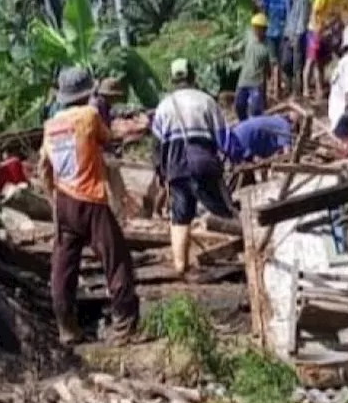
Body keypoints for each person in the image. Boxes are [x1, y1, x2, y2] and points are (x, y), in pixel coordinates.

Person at [39, 67, 139, 346]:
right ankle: (124, 326)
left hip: (64, 203)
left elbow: (43, 167)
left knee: (63, 266)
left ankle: (67, 328)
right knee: (116, 259)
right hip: (91, 199)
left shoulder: (51, 125)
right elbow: (108, 139)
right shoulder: (89, 116)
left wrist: (52, 199)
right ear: (86, 93)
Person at [151, 59, 235, 278]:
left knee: (180, 217)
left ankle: (181, 265)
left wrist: (161, 173)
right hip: (204, 164)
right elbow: (223, 138)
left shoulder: (163, 107)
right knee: (222, 211)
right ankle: (237, 256)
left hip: (176, 168)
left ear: (173, 79)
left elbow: (157, 146)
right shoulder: (206, 101)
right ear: (193, 77)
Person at [306, 0, 348, 100]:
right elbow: (314, 13)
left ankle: (320, 89)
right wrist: (318, 30)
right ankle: (307, 88)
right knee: (312, 61)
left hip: (329, 32)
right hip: (316, 31)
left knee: (322, 62)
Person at [256, 0, 292, 96]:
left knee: (280, 62)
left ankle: (277, 90)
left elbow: (289, 13)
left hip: (283, 33)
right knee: (273, 62)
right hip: (270, 32)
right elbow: (262, 8)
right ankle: (273, 91)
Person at [236, 14, 272, 121]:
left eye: (259, 28)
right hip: (243, 80)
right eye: (255, 27)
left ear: (264, 30)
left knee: (256, 109)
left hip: (256, 83)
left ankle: (256, 128)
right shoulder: (249, 37)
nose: (256, 30)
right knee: (239, 105)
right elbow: (239, 48)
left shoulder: (267, 46)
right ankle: (244, 125)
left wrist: (270, 82)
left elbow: (269, 66)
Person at [220, 114, 293, 164]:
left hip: (234, 135)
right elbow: (287, 153)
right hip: (242, 142)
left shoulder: (272, 120)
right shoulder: (284, 124)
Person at [281, 0, 308, 97]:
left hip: (298, 34)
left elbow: (302, 19)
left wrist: (297, 36)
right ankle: (288, 86)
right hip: (287, 33)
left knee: (297, 64)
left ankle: (297, 90)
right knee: (286, 62)